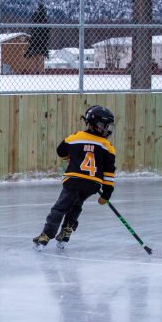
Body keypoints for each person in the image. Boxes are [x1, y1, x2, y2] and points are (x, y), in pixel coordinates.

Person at [33, 105, 116, 249]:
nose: (106, 129)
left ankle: (46, 235)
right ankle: (66, 231)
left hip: (73, 181)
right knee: (76, 205)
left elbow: (61, 151)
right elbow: (109, 172)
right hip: (92, 185)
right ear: (94, 123)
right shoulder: (107, 145)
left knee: (60, 208)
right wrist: (107, 194)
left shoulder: (75, 137)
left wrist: (71, 157)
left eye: (107, 125)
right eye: (104, 125)